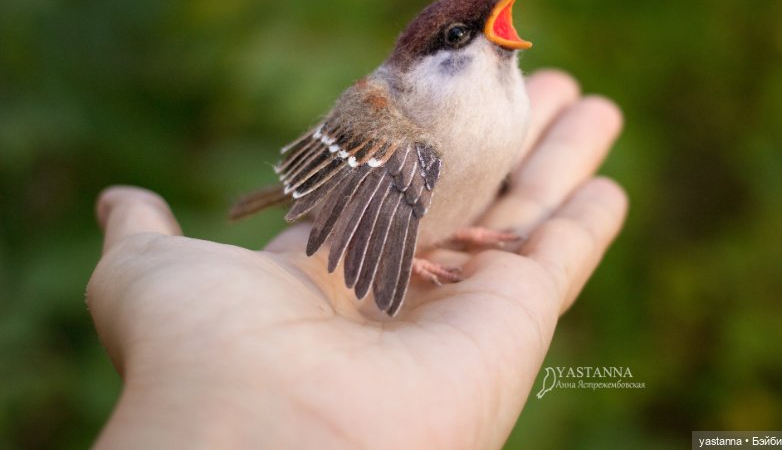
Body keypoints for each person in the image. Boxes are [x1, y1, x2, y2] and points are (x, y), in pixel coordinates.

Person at [87, 70, 628, 449]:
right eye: (462, 36)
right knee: (404, 170)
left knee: (415, 179)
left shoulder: (498, 111)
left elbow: (433, 198)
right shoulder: (393, 114)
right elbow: (362, 192)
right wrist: (399, 255)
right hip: (344, 172)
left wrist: (451, 229)